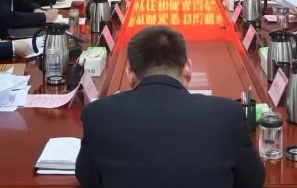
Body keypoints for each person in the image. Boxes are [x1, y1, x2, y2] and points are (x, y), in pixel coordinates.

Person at [75, 26, 265, 188]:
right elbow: (253, 181)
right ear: (188, 69)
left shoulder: (98, 114)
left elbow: (88, 178)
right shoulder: (228, 115)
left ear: (130, 74)